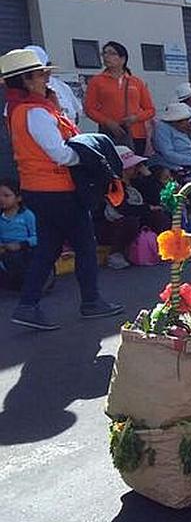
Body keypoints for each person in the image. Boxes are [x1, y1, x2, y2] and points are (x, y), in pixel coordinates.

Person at [2, 48, 123, 330]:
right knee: (85, 245)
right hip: (57, 189)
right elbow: (60, 154)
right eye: (40, 75)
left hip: (39, 189)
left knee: (48, 248)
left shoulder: (20, 109)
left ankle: (28, 305)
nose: (46, 79)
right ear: (26, 80)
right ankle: (91, 302)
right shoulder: (35, 112)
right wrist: (90, 155)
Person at [96, 146, 170, 270]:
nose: (137, 168)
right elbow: (122, 208)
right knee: (130, 221)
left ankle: (165, 247)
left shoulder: (136, 182)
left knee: (160, 215)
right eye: (133, 166)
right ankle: (115, 254)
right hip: (109, 227)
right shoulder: (111, 185)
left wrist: (148, 176)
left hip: (134, 221)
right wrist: (147, 208)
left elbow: (156, 198)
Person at [83, 41, 156, 156]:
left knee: (136, 164)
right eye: (104, 53)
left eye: (111, 53)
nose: (106, 56)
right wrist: (108, 122)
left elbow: (150, 110)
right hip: (110, 133)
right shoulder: (96, 81)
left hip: (136, 134)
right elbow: (89, 109)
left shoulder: (136, 82)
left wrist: (135, 118)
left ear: (123, 59)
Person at [23, 46, 83, 125]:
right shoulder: (20, 96)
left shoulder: (62, 87)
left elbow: (76, 112)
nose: (46, 75)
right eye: (40, 73)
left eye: (47, 70)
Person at [0, 178, 36, 290]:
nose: (1, 199)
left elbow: (37, 236)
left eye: (6, 196)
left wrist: (20, 245)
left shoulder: (27, 215)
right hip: (4, 249)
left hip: (23, 250)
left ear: (18, 198)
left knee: (15, 258)